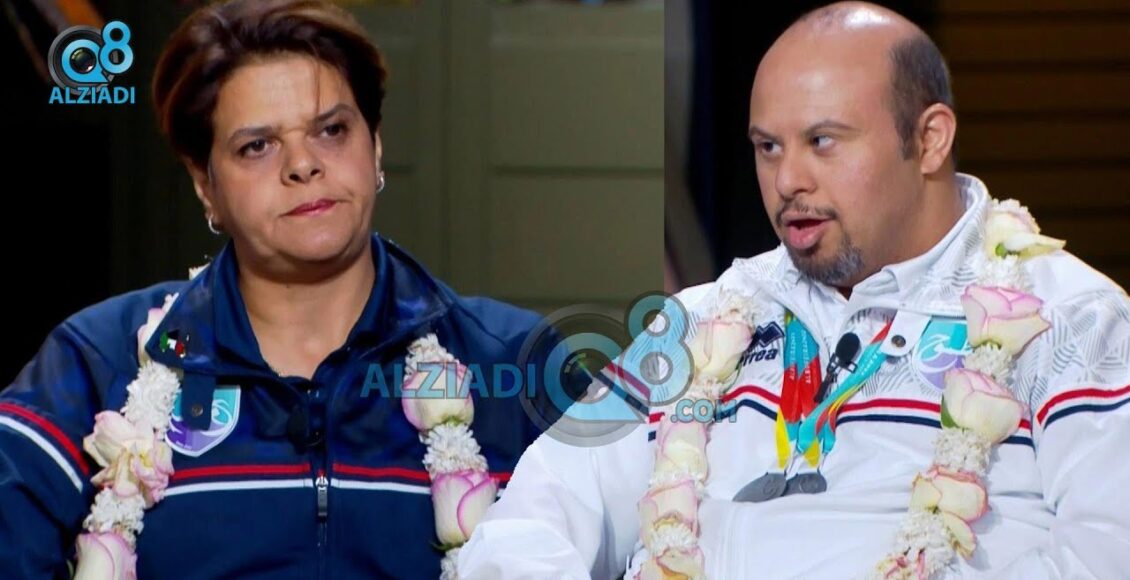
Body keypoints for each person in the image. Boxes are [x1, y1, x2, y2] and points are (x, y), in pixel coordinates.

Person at [458, 2, 1130, 578]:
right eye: (768, 147)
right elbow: (536, 515)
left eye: (822, 141)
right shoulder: (698, 321)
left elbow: (1107, 557)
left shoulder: (1073, 321)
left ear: (929, 140)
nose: (787, 181)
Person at [0, 0, 567, 577]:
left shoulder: (516, 362)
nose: (303, 164)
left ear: (374, 146)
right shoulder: (96, 363)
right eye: (257, 146)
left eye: (331, 130)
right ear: (205, 186)